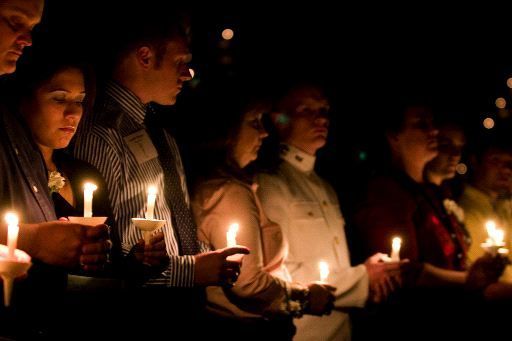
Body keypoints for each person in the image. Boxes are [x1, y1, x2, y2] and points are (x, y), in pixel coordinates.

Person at [73, 7, 248, 337]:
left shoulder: (158, 132)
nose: (188, 73)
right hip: (136, 316)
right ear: (144, 56)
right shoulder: (101, 133)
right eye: (180, 61)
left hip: (182, 309)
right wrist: (192, 270)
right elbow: (102, 255)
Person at [257, 84, 402, 341]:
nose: (321, 118)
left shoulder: (325, 186)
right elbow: (280, 274)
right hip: (304, 333)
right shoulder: (271, 184)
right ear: (279, 120)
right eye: (307, 110)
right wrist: (363, 278)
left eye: (324, 110)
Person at [0, 1, 109, 338]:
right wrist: (33, 239)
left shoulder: (25, 147)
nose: (26, 39)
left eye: (80, 101)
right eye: (16, 21)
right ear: (25, 96)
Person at [353, 101, 506, 338]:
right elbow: (402, 271)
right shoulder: (386, 192)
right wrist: (470, 279)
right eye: (421, 124)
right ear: (394, 136)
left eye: (433, 124)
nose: (433, 131)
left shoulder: (430, 192)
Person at [191, 93, 336, 340]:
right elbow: (247, 282)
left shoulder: (226, 186)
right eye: (255, 122)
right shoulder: (230, 192)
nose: (264, 133)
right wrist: (304, 297)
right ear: (229, 131)